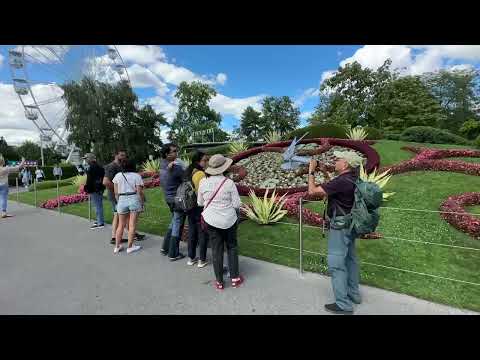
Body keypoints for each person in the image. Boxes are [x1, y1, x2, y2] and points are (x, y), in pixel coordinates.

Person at [307, 151, 364, 315]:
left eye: (338, 159)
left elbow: (312, 191)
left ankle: (343, 304)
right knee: (351, 260)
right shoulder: (354, 178)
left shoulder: (342, 181)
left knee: (337, 264)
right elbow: (331, 188)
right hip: (351, 224)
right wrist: (324, 171)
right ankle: (354, 294)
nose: (335, 161)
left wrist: (311, 170)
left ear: (345, 164)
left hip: (340, 227)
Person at [198, 154, 243, 290]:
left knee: (216, 250)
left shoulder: (203, 182)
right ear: (224, 167)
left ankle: (219, 282)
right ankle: (235, 278)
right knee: (232, 247)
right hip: (229, 220)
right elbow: (236, 204)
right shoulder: (228, 183)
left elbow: (200, 202)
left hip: (211, 220)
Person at [103, 149, 145, 245]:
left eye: (125, 155)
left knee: (122, 216)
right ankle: (115, 237)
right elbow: (105, 181)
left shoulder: (120, 166)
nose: (124, 157)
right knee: (118, 216)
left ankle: (130, 235)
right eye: (121, 155)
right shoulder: (112, 166)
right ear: (116, 155)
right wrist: (118, 191)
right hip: (118, 195)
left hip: (121, 196)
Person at [159, 143, 187, 261]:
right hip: (177, 200)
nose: (177, 153)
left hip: (169, 199)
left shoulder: (162, 164)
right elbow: (187, 177)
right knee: (177, 224)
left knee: (173, 221)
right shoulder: (176, 167)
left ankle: (165, 247)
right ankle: (173, 252)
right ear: (167, 154)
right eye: (174, 151)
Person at [112, 159, 145, 254]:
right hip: (133, 198)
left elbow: (115, 192)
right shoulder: (136, 176)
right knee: (132, 225)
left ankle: (117, 246)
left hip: (122, 199)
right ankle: (130, 246)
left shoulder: (117, 176)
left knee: (121, 225)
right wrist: (142, 203)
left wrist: (119, 202)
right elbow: (139, 192)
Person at [183, 150, 209, 267]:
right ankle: (202, 259)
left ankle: (191, 257)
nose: (207, 162)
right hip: (198, 206)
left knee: (192, 232)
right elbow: (201, 192)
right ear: (198, 161)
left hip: (189, 205)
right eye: (205, 160)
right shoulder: (200, 174)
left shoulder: (188, 171)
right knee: (202, 232)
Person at [83, 153, 105, 230]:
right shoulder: (99, 166)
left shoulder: (91, 167)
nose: (85, 160)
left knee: (97, 206)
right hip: (99, 188)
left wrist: (86, 188)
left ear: (90, 158)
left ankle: (100, 222)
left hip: (94, 189)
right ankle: (99, 220)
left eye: (86, 158)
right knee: (98, 205)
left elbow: (89, 180)